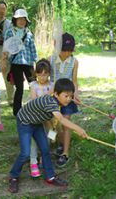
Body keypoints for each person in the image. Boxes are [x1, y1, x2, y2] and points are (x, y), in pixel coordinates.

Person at [8, 78, 89, 193]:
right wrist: (78, 128)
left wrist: (52, 135)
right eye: (65, 96)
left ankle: (50, 178)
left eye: (71, 96)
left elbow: (48, 119)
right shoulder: (50, 102)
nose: (68, 99)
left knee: (45, 149)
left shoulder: (57, 103)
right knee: (25, 153)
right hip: (25, 122)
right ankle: (13, 176)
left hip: (36, 123)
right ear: (56, 94)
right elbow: (60, 119)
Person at [47, 32, 81, 168]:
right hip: (54, 98)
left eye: (69, 51)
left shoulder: (74, 62)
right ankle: (59, 143)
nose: (66, 53)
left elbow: (74, 81)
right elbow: (42, 75)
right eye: (63, 50)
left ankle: (65, 153)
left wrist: (75, 94)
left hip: (67, 98)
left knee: (65, 124)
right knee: (53, 124)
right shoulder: (51, 59)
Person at [4, 9, 38, 116]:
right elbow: (6, 48)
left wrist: (36, 62)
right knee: (19, 88)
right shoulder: (9, 32)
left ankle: (38, 108)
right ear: (15, 20)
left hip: (28, 62)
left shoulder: (28, 34)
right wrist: (5, 61)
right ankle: (17, 112)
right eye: (20, 19)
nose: (22, 22)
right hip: (16, 63)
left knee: (34, 85)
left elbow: (33, 48)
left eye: (24, 20)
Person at [28, 59, 54, 177]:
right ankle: (33, 161)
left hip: (48, 116)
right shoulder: (33, 85)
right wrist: (49, 94)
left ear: (49, 73)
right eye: (39, 75)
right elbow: (34, 101)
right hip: (36, 117)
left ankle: (43, 159)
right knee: (35, 140)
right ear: (36, 74)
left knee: (48, 136)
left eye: (45, 74)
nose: (42, 77)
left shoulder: (52, 85)